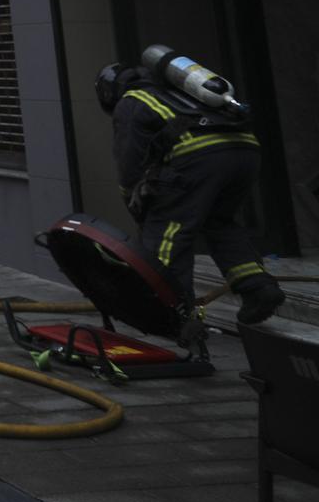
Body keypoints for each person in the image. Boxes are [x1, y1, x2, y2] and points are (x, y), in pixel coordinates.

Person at [97, 50, 284, 325]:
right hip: (245, 151)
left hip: (199, 158)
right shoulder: (180, 92)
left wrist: (134, 199)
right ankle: (259, 288)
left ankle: (170, 312)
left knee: (169, 229)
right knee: (219, 222)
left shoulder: (131, 101)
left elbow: (130, 163)